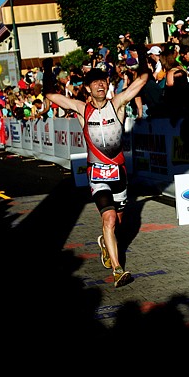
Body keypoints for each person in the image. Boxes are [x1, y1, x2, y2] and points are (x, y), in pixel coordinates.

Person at [44, 64, 149, 288]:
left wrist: (141, 53)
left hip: (119, 173)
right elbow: (51, 95)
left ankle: (105, 241)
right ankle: (118, 269)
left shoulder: (117, 104)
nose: (100, 85)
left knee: (117, 222)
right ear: (88, 89)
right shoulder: (82, 109)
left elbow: (141, 80)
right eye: (95, 82)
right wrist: (47, 72)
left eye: (103, 81)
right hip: (98, 174)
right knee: (109, 219)